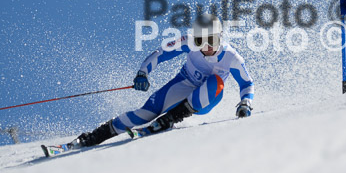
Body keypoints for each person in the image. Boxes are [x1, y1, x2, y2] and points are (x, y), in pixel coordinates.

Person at [76, 14, 254, 147]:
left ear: (220, 37)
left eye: (212, 40)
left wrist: (245, 103)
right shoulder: (188, 42)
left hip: (206, 98)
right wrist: (143, 73)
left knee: (216, 81)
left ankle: (169, 119)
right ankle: (96, 136)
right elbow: (160, 54)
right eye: (201, 41)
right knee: (147, 112)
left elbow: (247, 84)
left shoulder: (231, 57)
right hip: (183, 84)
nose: (206, 47)